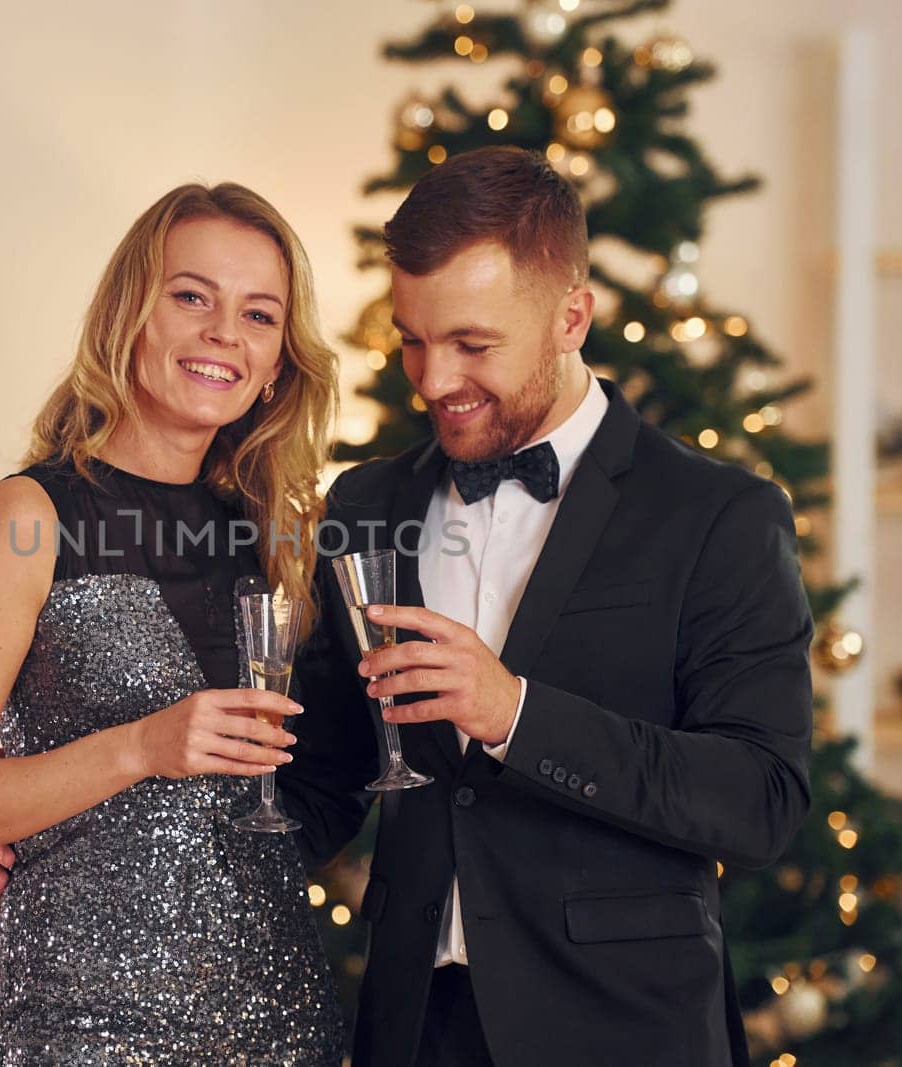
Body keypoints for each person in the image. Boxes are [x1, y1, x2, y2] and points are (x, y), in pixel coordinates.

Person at [275, 145, 815, 1066]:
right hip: (412, 1031)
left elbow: (760, 800)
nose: (433, 379)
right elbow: (321, 777)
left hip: (626, 1031)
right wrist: (121, 847)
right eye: (411, 337)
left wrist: (515, 714)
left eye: (473, 344)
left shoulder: (720, 515)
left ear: (573, 315)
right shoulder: (364, 506)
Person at [0, 182, 345, 1064]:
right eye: (191, 296)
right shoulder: (27, 516)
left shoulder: (285, 535)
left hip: (286, 1024)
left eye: (258, 315)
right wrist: (136, 751)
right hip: (91, 1029)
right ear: (130, 313)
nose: (223, 334)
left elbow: (323, 785)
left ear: (279, 361)